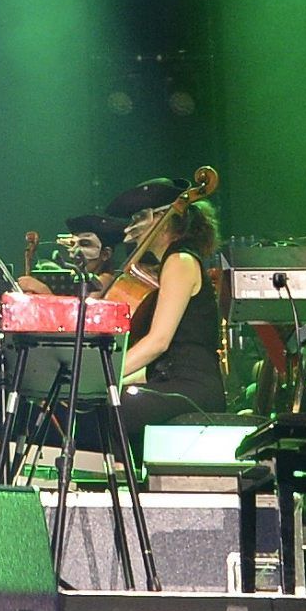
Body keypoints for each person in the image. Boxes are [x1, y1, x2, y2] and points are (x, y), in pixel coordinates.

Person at [110, 178, 225, 433]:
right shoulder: (171, 263)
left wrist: (103, 375)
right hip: (173, 383)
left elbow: (158, 342)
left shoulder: (180, 261)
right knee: (103, 401)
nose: (131, 227)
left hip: (192, 389)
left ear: (163, 221)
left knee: (110, 410)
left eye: (139, 217)